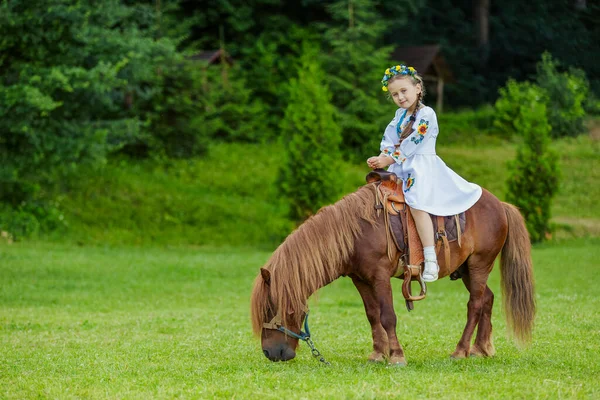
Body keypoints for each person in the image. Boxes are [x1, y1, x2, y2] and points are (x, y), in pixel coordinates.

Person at [367, 64, 482, 282]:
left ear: (418, 88)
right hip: (399, 166)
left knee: (417, 203)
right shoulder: (399, 116)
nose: (400, 97)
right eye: (394, 94)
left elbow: (413, 142)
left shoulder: (427, 114)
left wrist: (389, 159)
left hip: (421, 168)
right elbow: (389, 139)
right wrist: (382, 156)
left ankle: (430, 259)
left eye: (404, 91)